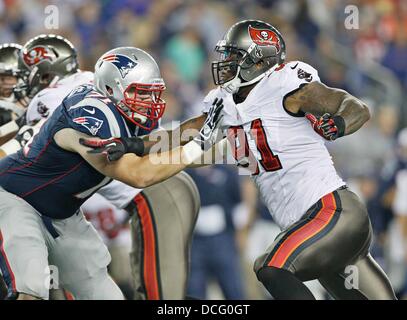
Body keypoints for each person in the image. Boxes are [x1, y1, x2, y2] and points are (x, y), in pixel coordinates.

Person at [83, 19, 397, 299]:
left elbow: (352, 105)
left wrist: (340, 121)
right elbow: (182, 133)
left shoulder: (286, 85)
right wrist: (132, 143)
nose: (225, 64)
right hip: (314, 230)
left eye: (235, 57)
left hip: (333, 212)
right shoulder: (225, 103)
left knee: (272, 266)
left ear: (259, 60)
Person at [0, 44, 222, 300]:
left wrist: (231, 147)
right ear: (109, 89)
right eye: (141, 93)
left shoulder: (125, 111)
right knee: (31, 292)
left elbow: (166, 145)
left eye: (153, 93)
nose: (151, 102)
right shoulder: (90, 113)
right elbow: (138, 175)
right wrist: (199, 147)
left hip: (61, 215)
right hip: (14, 198)